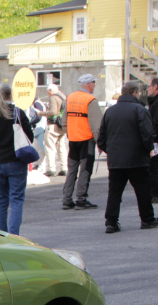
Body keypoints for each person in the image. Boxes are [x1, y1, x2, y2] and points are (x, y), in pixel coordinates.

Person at [98, 82, 158, 234]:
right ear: (134, 92)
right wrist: (148, 151)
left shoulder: (110, 111)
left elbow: (101, 138)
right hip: (137, 159)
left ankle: (111, 222)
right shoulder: (139, 109)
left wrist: (112, 151)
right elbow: (147, 134)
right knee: (142, 190)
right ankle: (147, 219)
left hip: (116, 161)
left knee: (115, 192)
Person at [0, 83, 34, 235]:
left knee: (1, 200)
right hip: (16, 161)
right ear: (10, 95)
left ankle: (0, 234)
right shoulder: (17, 114)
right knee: (16, 199)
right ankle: (13, 235)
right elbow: (29, 137)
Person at [61, 75, 102, 210]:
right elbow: (96, 124)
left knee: (72, 170)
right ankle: (81, 199)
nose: (94, 86)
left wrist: (69, 133)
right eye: (94, 84)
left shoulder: (70, 97)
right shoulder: (90, 100)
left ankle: (67, 199)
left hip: (73, 139)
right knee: (85, 170)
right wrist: (100, 142)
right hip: (86, 139)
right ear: (90, 84)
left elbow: (64, 119)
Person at [39, 83, 68, 177]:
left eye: (48, 91)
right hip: (62, 125)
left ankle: (51, 169)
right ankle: (64, 168)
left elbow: (53, 112)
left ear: (50, 90)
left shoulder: (53, 98)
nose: (47, 94)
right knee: (61, 147)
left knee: (50, 147)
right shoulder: (64, 96)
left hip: (53, 125)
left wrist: (41, 113)